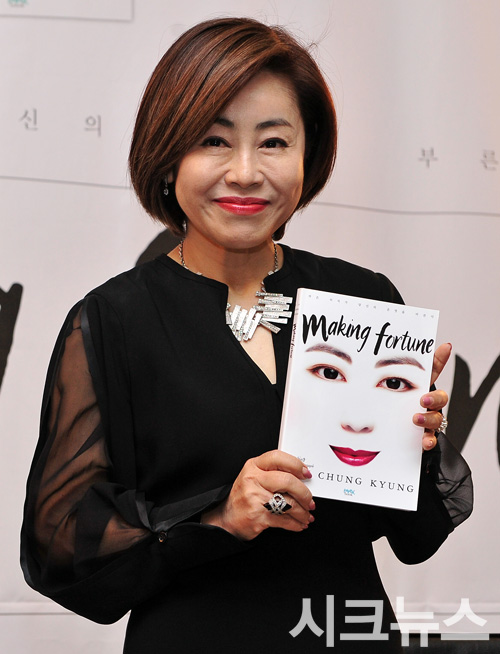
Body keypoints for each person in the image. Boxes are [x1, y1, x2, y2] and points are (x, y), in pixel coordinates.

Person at [21, 17, 472, 653]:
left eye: (273, 142)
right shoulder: (114, 319)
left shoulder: (362, 298)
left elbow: (416, 538)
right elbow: (58, 546)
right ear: (167, 155)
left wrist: (416, 441)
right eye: (213, 140)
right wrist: (216, 517)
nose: (244, 172)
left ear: (307, 155)